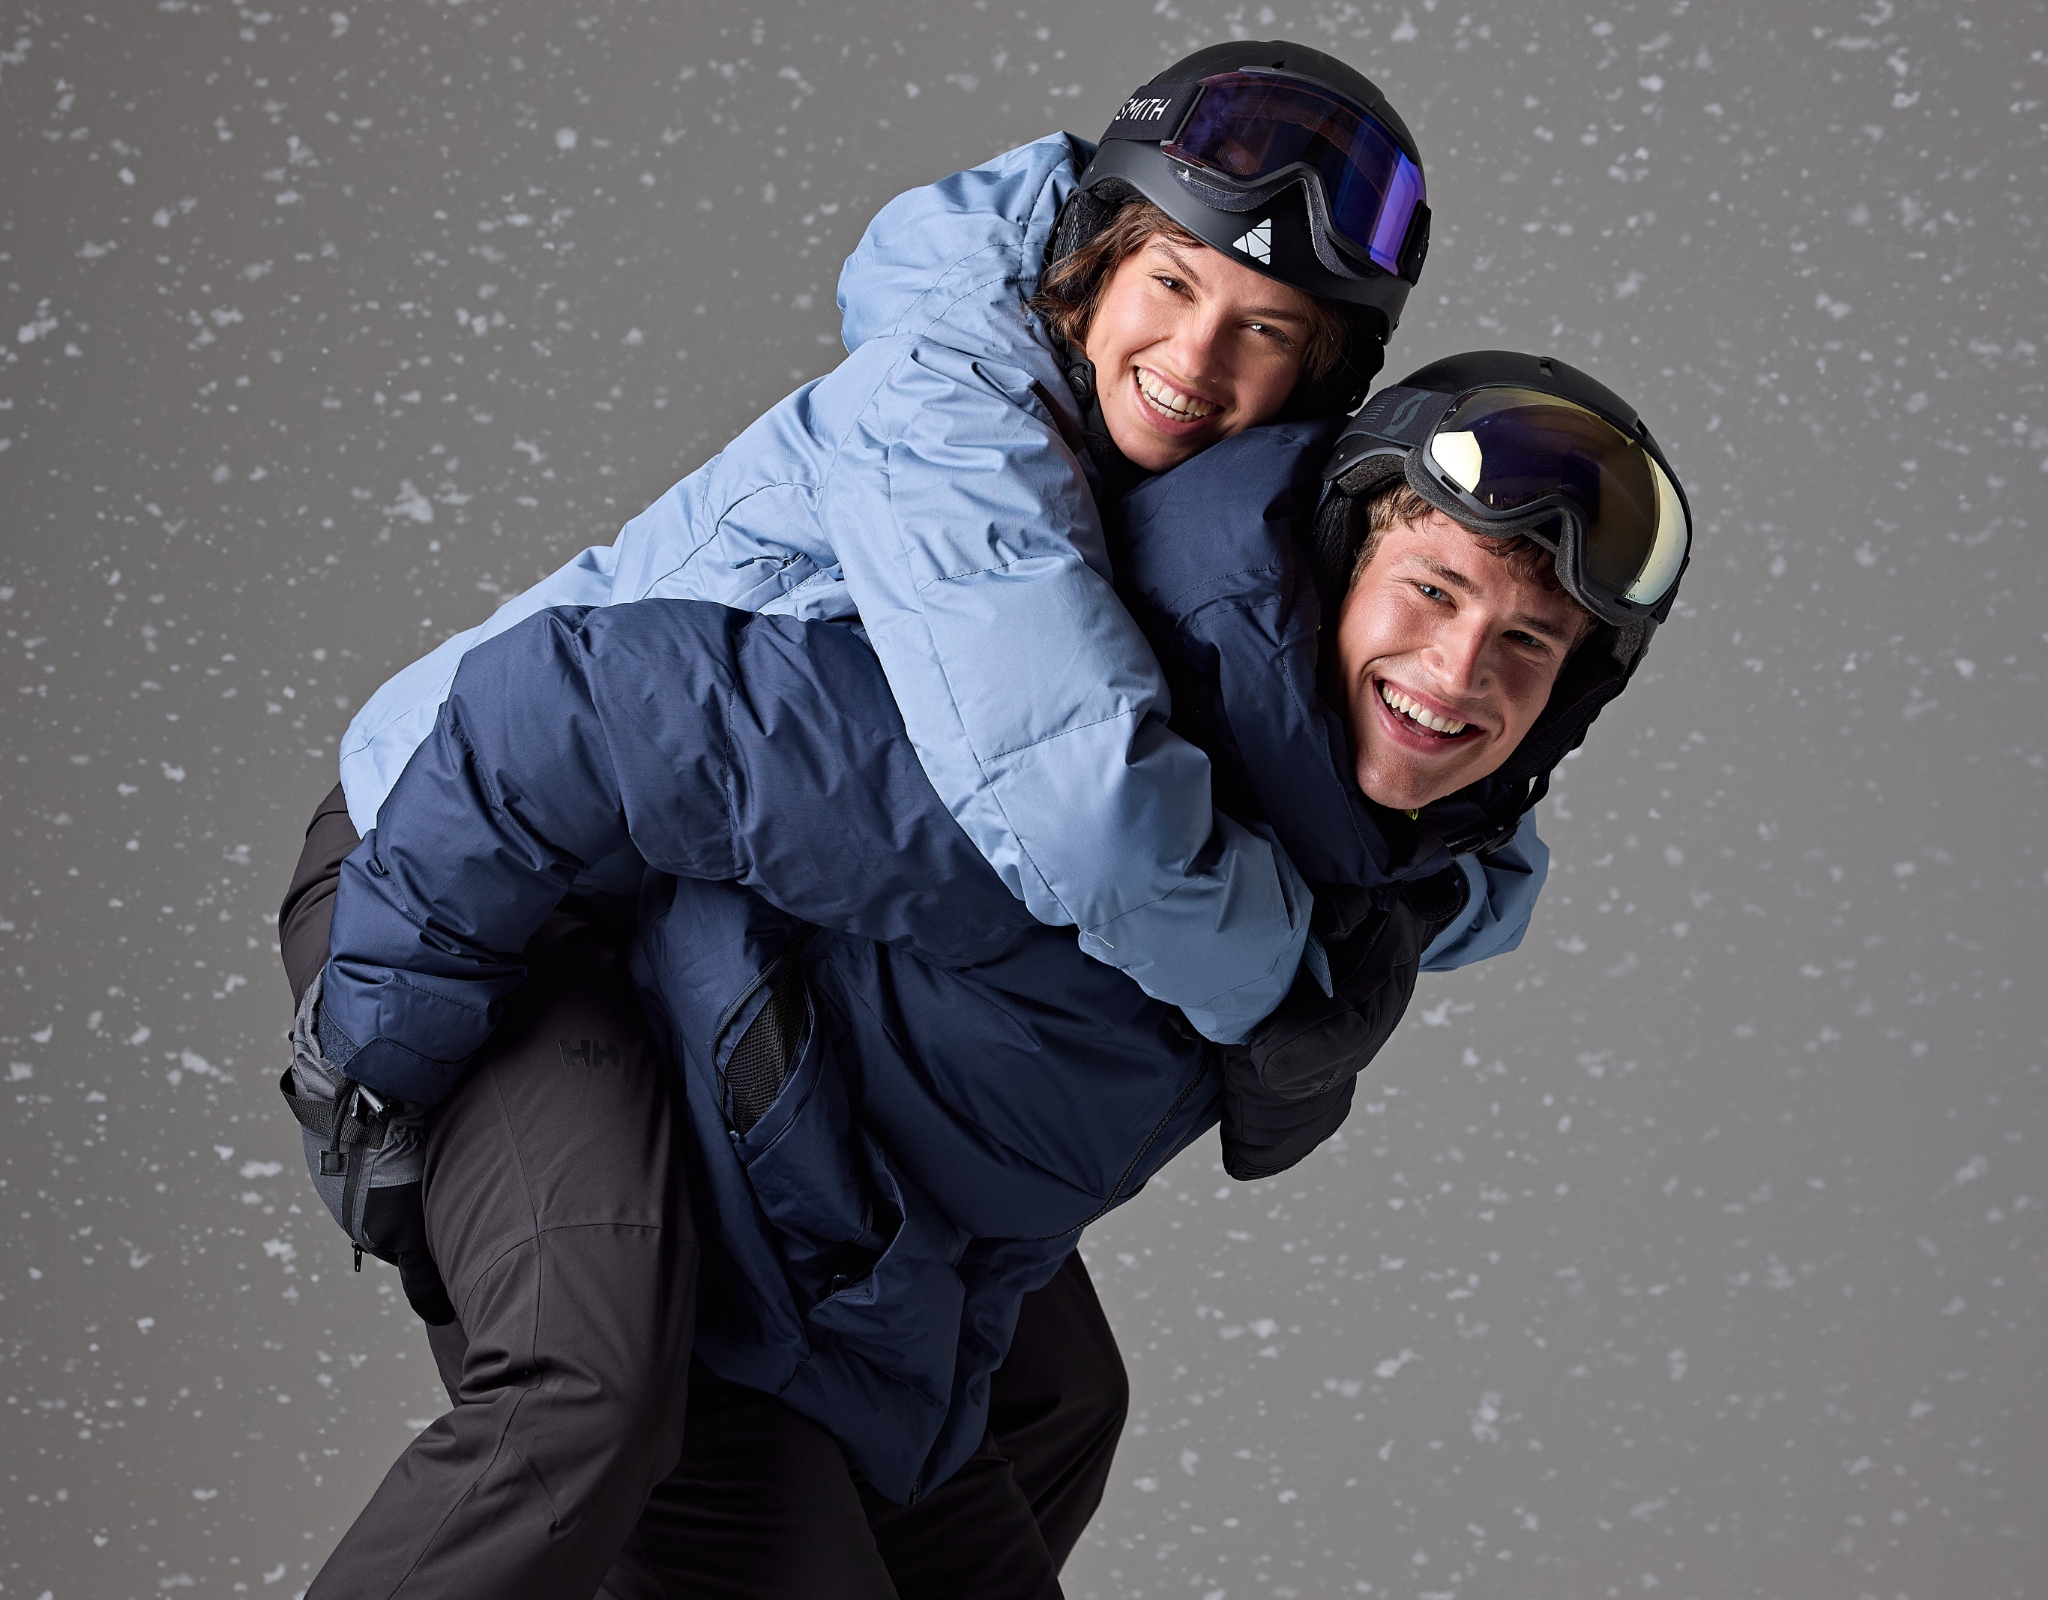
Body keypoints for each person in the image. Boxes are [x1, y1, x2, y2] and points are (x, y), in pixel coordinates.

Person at [285, 347, 1691, 1597]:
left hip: (854, 1290)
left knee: (1064, 1402)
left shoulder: (1363, 878)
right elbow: (573, 706)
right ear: (1334, 568)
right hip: (714, 1270)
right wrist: (376, 1069)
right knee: (586, 1408)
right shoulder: (1074, 764)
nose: (1457, 672)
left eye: (1525, 644)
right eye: (1430, 592)